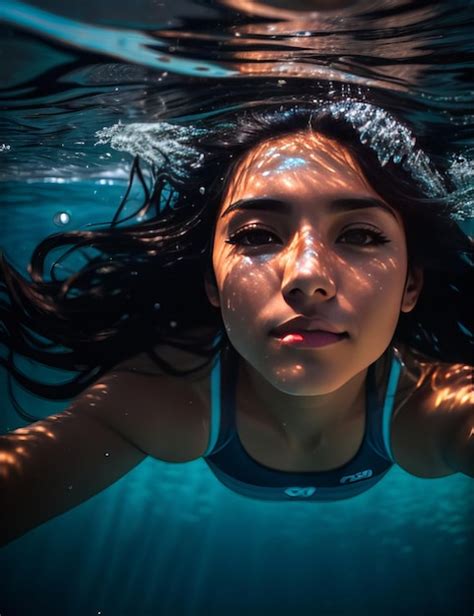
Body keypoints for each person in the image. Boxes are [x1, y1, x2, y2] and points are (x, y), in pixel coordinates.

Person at [0, 98, 472, 546]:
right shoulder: (167, 395)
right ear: (212, 280)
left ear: (411, 284)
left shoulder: (437, 401)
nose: (307, 276)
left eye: (361, 235)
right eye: (257, 235)